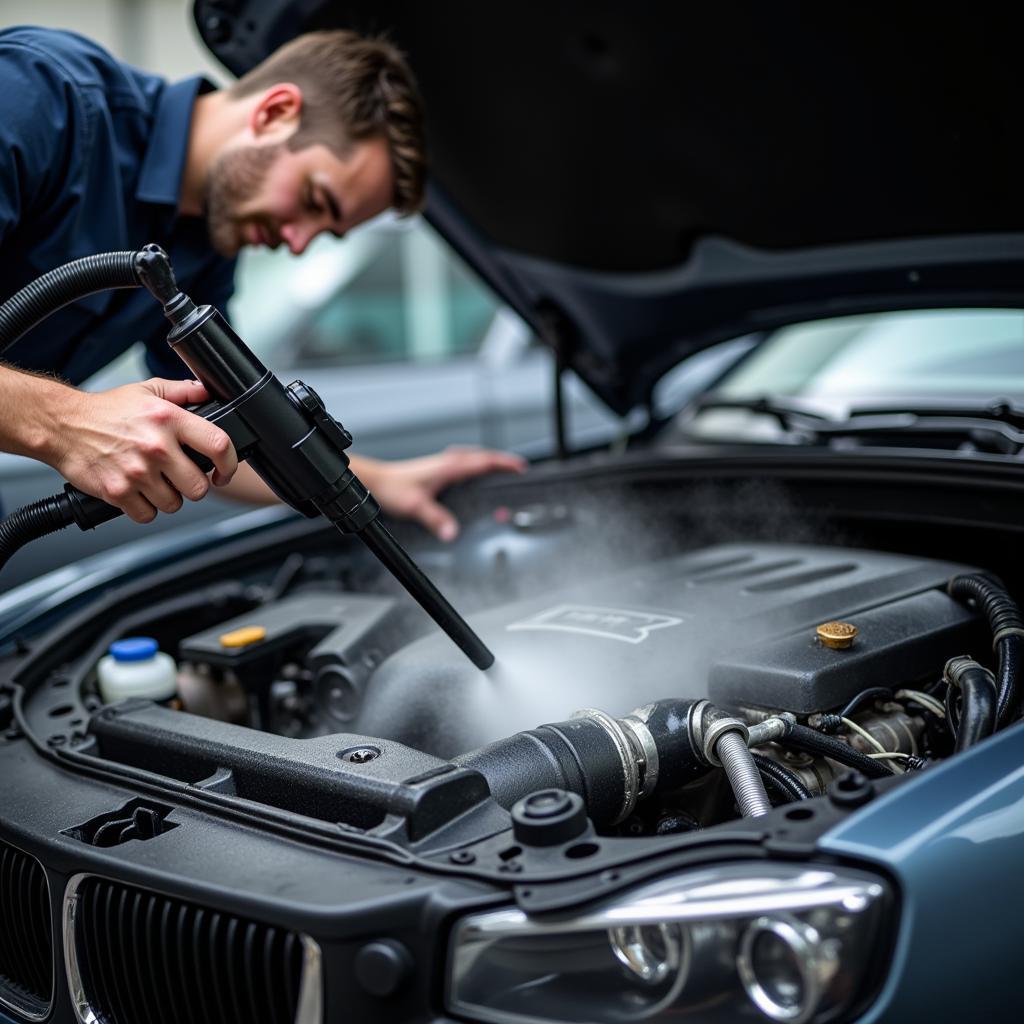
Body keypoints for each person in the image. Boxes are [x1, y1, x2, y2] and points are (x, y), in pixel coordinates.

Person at [0, 25, 524, 540]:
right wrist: (68, 421)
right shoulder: (41, 96)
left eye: (325, 233)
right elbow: (70, 423)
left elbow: (224, 438)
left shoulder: (206, 250)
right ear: (275, 114)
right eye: (315, 201)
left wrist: (381, 482)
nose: (297, 242)